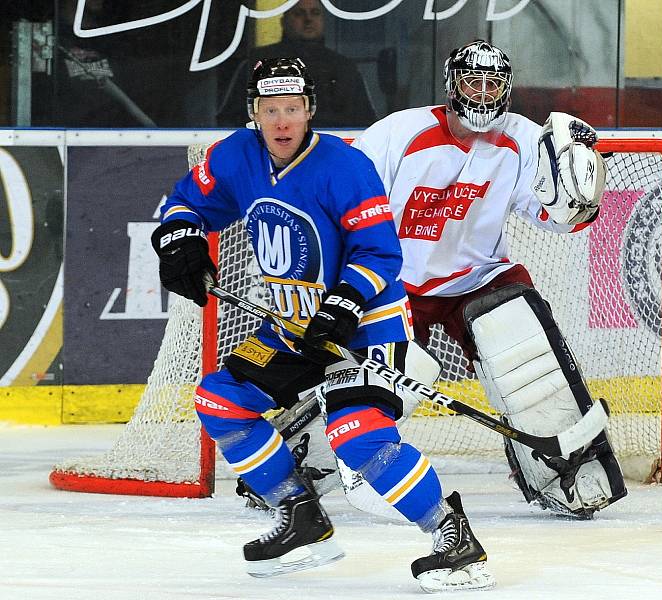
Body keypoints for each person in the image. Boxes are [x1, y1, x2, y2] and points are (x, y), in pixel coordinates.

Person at [150, 57, 495, 592]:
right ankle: (300, 516)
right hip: (289, 327)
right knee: (221, 400)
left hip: (366, 323)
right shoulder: (235, 156)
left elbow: (380, 255)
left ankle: (450, 535)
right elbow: (186, 202)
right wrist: (180, 241)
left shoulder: (344, 165)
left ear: (309, 110)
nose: (282, 121)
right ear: (254, 114)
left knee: (355, 435)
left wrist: (342, 307)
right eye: (271, 110)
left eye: (292, 109)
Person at [352, 40, 628, 519]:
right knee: (371, 386)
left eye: (492, 83)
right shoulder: (399, 132)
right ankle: (301, 464)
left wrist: (576, 207)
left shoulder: (523, 138)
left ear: (506, 88)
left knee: (524, 344)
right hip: (397, 282)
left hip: (479, 277)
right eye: (471, 82)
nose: (482, 93)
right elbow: (351, 199)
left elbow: (546, 214)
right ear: (451, 85)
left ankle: (570, 472)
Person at [218, 0, 376, 128]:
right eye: (299, 13)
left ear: (324, 20)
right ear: (283, 22)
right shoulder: (259, 63)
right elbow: (229, 120)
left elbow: (366, 123)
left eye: (315, 13)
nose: (308, 19)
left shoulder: (344, 67)